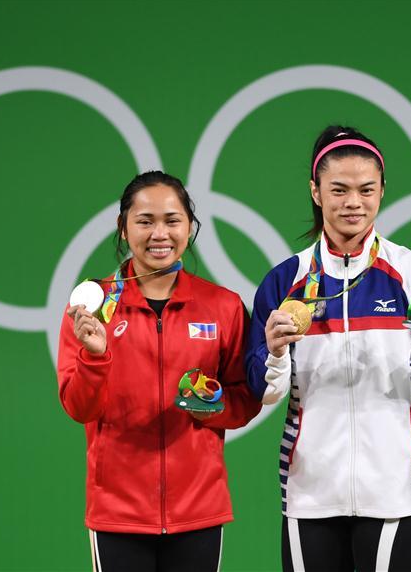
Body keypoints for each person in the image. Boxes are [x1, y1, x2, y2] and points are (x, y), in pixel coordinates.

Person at [246, 125, 411, 571]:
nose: (353, 202)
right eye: (339, 189)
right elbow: (266, 391)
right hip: (309, 492)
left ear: (383, 191)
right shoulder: (284, 281)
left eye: (366, 189)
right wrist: (272, 352)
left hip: (392, 491)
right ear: (315, 191)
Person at [57, 171, 261, 572]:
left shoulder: (222, 306)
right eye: (145, 221)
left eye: (172, 220)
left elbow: (244, 400)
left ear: (190, 226)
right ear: (123, 227)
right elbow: (78, 407)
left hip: (198, 508)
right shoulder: (93, 306)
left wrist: (212, 408)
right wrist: (95, 356)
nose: (159, 233)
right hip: (119, 511)